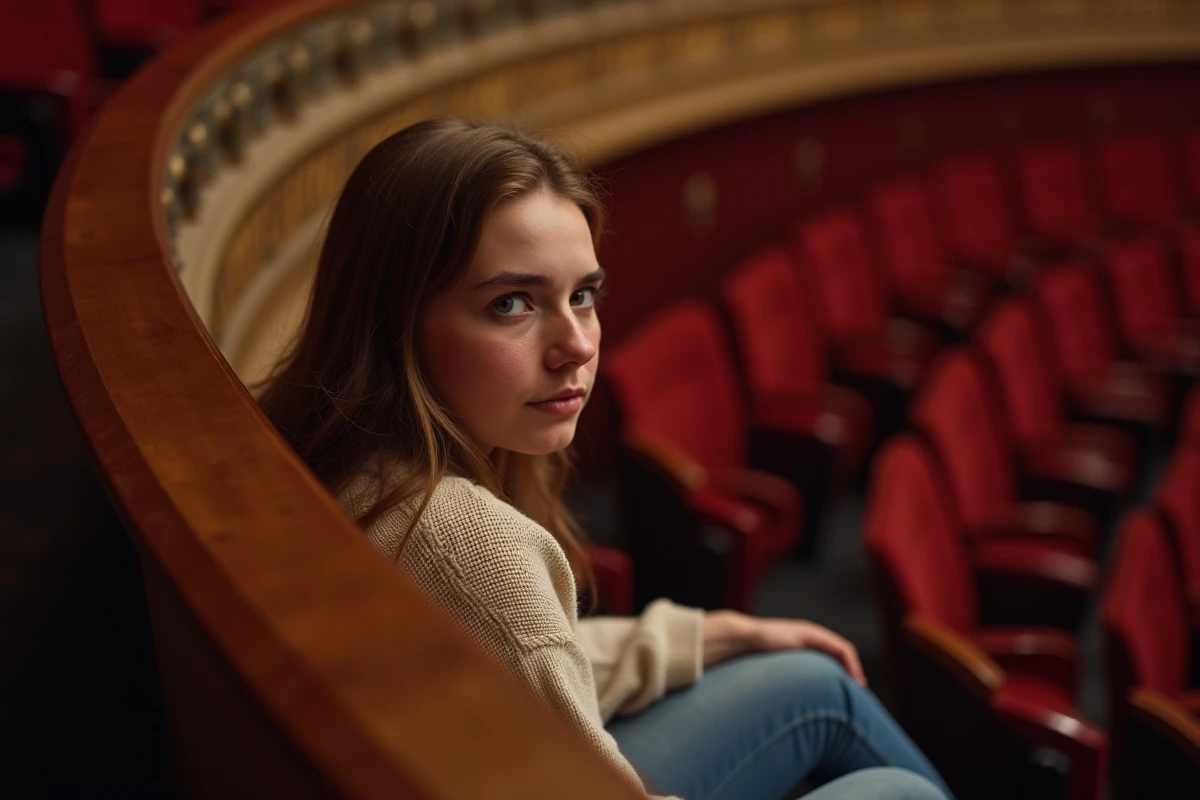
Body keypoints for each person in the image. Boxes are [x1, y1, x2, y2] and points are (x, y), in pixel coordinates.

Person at [258, 117, 953, 800]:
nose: (577, 345)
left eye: (582, 295)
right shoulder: (464, 543)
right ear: (395, 323)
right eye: (512, 304)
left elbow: (516, 658)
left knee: (813, 680)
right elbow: (515, 639)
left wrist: (716, 634)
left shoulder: (346, 458)